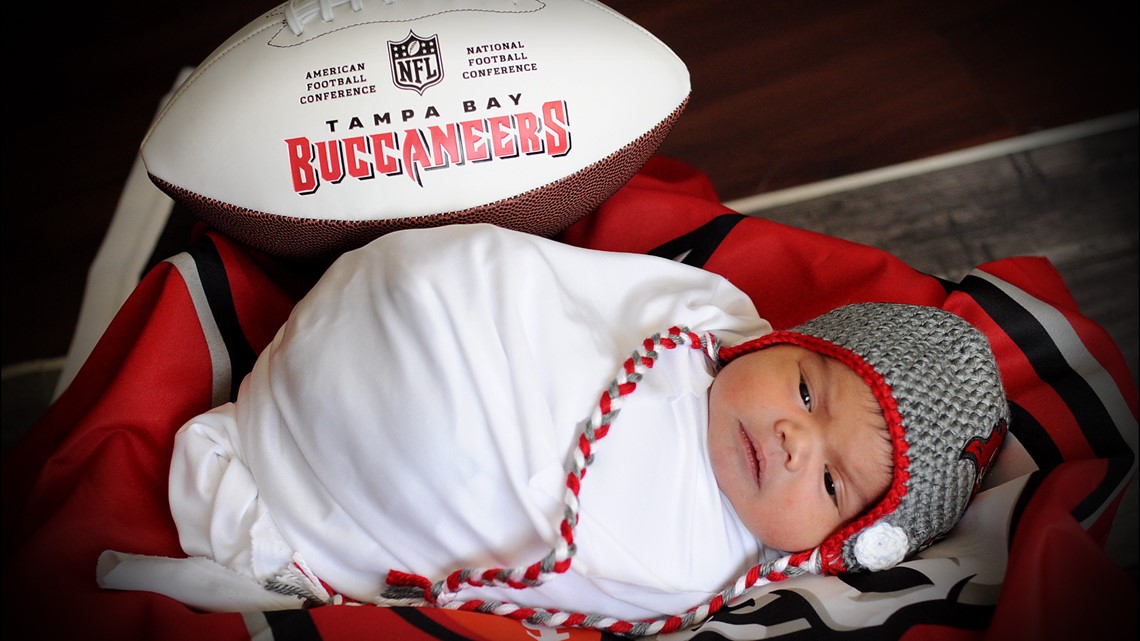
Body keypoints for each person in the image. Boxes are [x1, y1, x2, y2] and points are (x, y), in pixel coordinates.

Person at [97, 223, 1009, 634]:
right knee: (432, 288)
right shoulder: (702, 311)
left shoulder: (697, 564)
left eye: (831, 484)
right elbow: (542, 278)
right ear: (783, 341)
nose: (792, 439)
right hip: (403, 315)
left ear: (836, 546)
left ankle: (315, 462)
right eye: (808, 390)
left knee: (448, 462)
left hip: (376, 477)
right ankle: (355, 371)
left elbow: (569, 594)